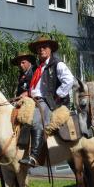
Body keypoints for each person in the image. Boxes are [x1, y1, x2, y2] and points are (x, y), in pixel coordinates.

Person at [20, 36, 75, 167]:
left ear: (50, 49)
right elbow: (32, 87)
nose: (41, 49)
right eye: (39, 48)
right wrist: (26, 93)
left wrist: (57, 95)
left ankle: (34, 156)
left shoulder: (57, 64)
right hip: (32, 100)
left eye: (44, 47)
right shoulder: (36, 68)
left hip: (47, 102)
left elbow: (69, 80)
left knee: (36, 120)